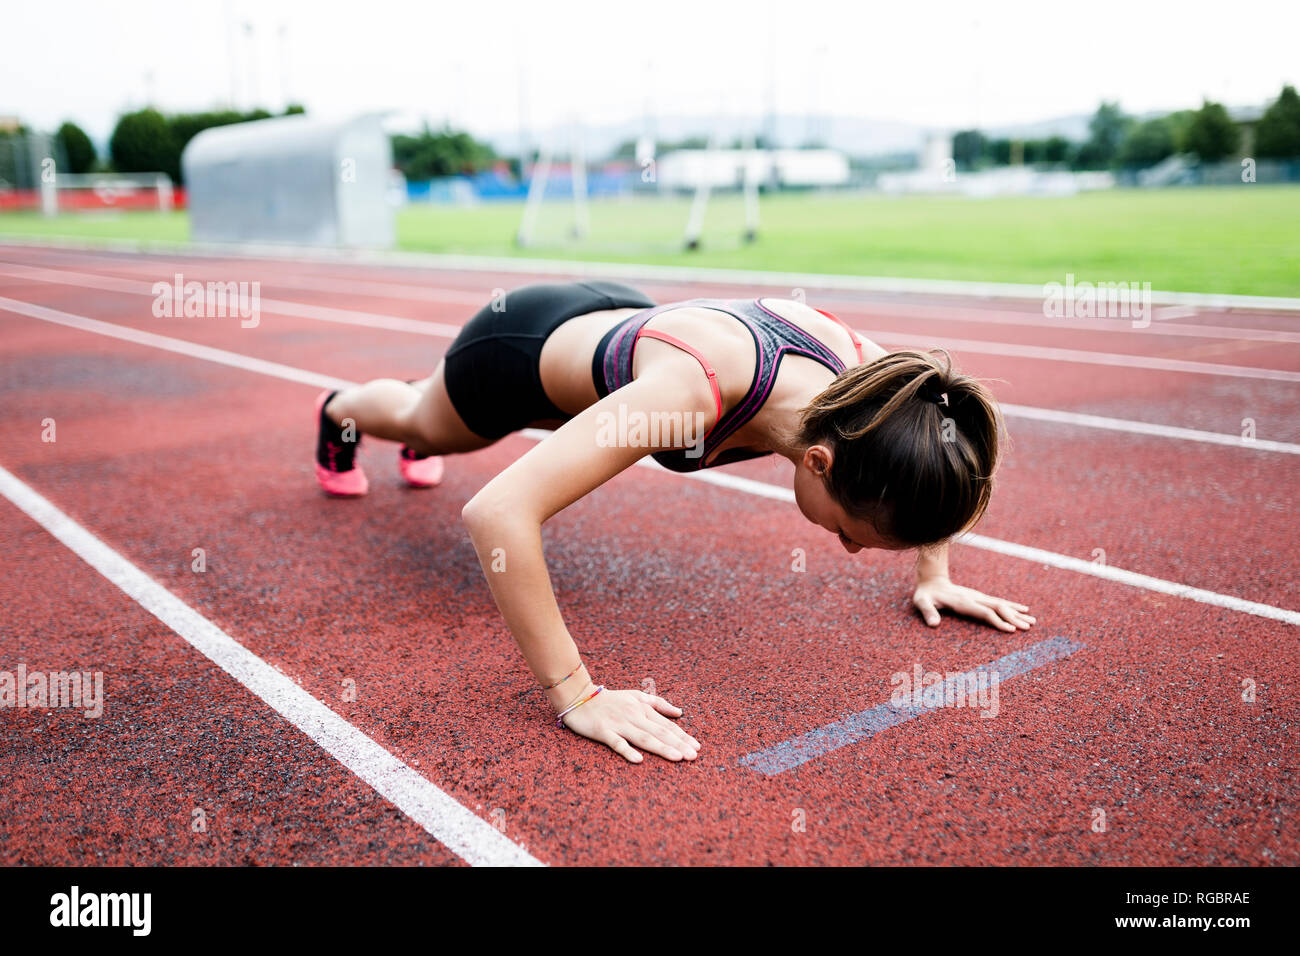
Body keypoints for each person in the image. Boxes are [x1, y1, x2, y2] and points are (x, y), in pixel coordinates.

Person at [313, 280, 1035, 764]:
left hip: (615, 331)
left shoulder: (885, 396)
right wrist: (579, 697)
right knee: (429, 422)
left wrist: (934, 572)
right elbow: (497, 513)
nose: (847, 548)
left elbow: (936, 445)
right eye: (850, 531)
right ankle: (342, 410)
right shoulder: (695, 394)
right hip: (517, 352)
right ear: (818, 464)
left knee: (524, 432)